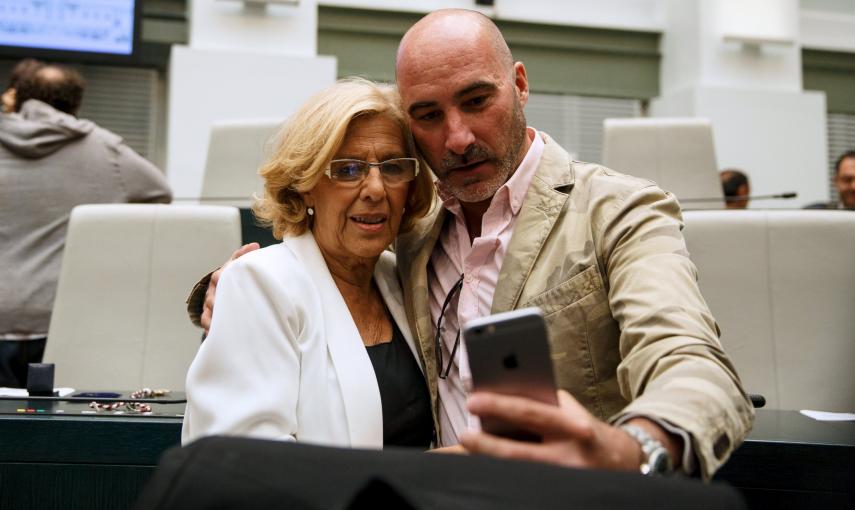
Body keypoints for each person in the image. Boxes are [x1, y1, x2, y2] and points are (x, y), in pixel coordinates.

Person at [191, 9, 753, 479]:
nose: (457, 138)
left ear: (521, 84)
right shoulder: (414, 236)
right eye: (429, 116)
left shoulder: (616, 210)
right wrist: (230, 290)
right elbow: (317, 291)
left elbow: (692, 362)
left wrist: (636, 450)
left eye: (477, 100)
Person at [181, 78, 436, 449]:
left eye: (393, 167)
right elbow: (245, 463)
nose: (376, 189)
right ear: (305, 182)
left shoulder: (402, 279)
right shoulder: (261, 283)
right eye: (348, 170)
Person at [0, 64, 172, 387]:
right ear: (75, 104)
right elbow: (160, 193)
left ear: (18, 98)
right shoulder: (104, 149)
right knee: (54, 431)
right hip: (61, 320)